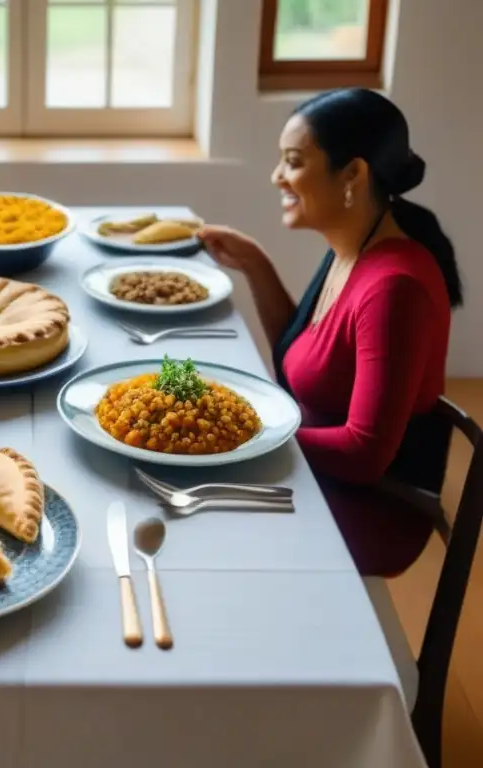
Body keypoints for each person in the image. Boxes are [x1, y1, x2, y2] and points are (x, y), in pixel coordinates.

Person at [198, 88, 462, 579]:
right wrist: (254, 265)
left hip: (373, 505)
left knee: (189, 517)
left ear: (353, 175)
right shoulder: (353, 246)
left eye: (293, 162)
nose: (277, 176)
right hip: (319, 471)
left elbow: (365, 455)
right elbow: (303, 362)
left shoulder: (395, 288)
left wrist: (245, 433)